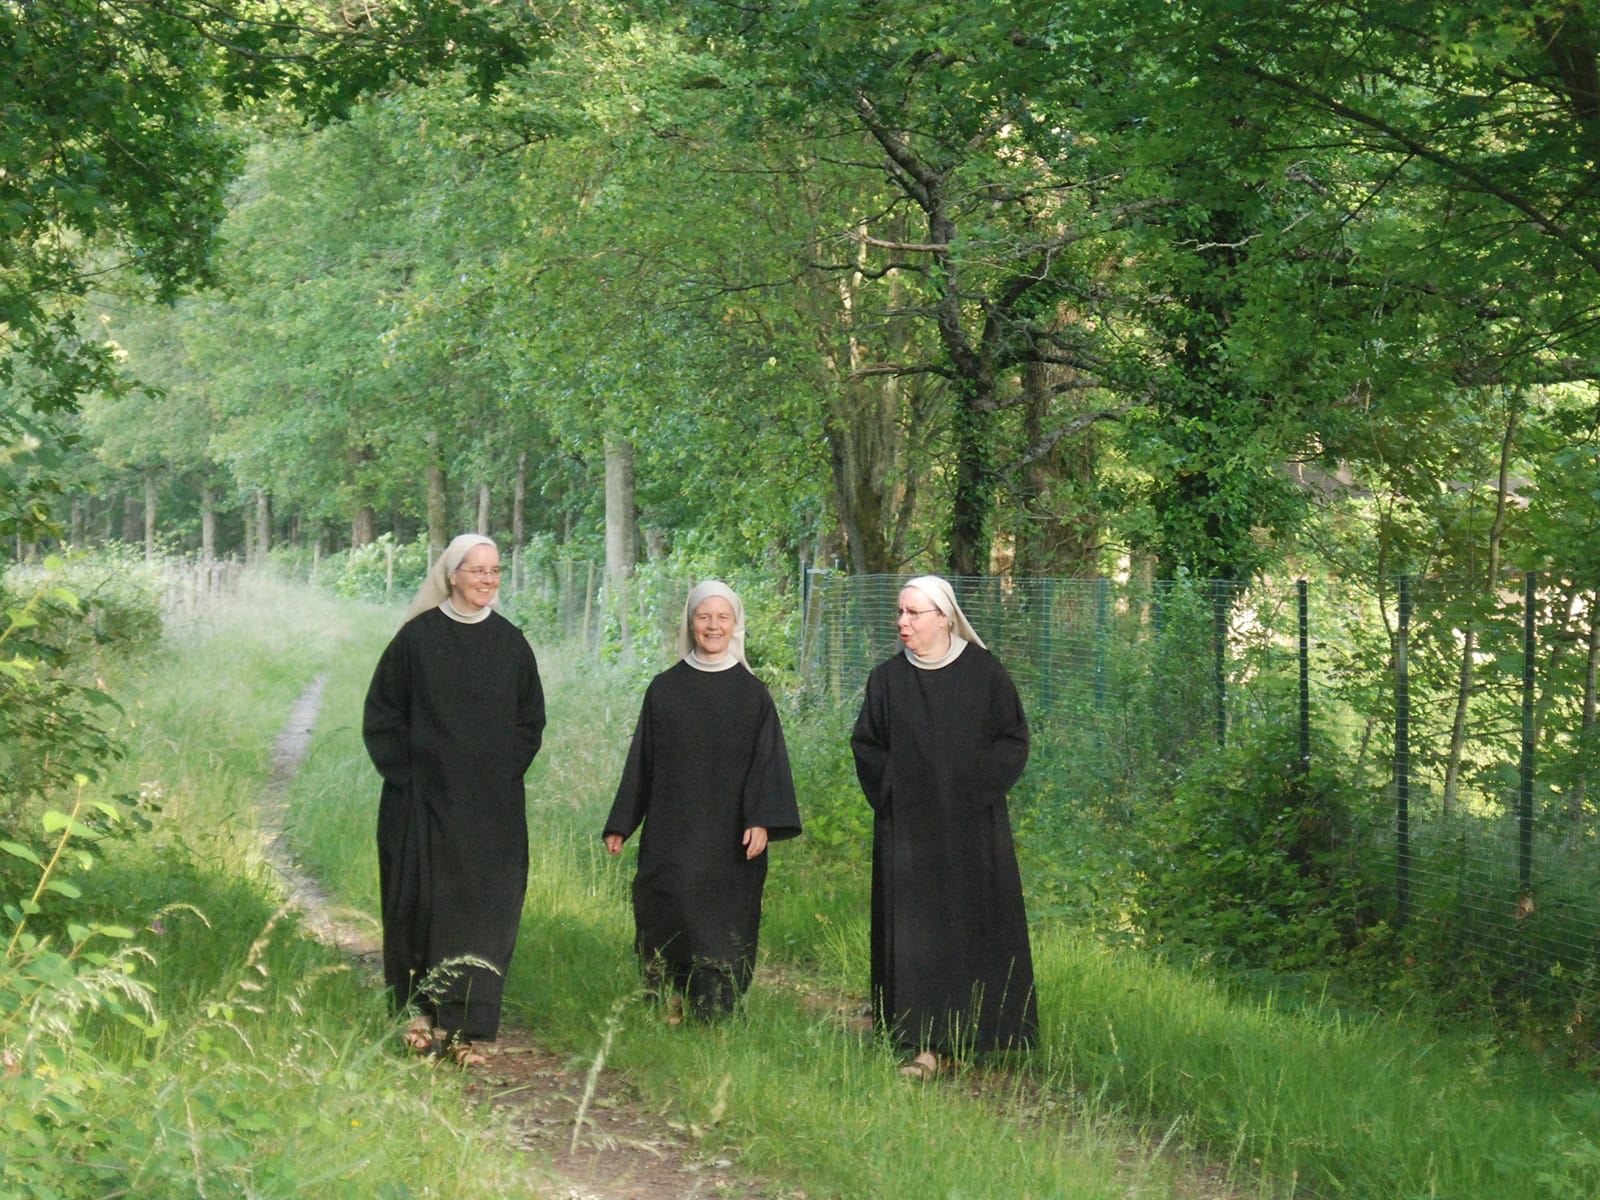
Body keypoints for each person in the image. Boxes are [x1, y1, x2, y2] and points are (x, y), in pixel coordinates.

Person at [362, 533, 546, 1065]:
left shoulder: (511, 645)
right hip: (419, 806)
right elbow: (383, 716)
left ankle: (465, 1033)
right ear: (452, 575)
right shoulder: (416, 640)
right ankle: (417, 1019)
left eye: (495, 570)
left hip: (490, 812)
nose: (488, 579)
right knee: (415, 906)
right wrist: (412, 777)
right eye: (477, 570)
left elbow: (529, 722)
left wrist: (495, 776)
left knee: (483, 914)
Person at [850, 574, 1037, 1079]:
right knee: (916, 934)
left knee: (970, 927)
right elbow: (867, 745)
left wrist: (972, 786)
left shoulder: (984, 674)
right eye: (900, 611)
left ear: (944, 618)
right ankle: (924, 1044)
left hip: (971, 831)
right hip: (908, 835)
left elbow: (1013, 740)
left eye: (913, 613)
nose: (902, 622)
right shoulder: (887, 680)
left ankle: (973, 1035)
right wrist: (899, 788)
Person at [603, 580, 802, 1021]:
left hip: (730, 832)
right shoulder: (665, 689)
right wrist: (622, 822)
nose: (713, 626)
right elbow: (642, 760)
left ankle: (716, 1005)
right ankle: (669, 993)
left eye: (722, 617)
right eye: (703, 617)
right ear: (690, 623)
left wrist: (761, 820)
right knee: (667, 900)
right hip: (672, 826)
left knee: (722, 911)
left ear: (735, 624)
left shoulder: (753, 694)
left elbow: (768, 762)